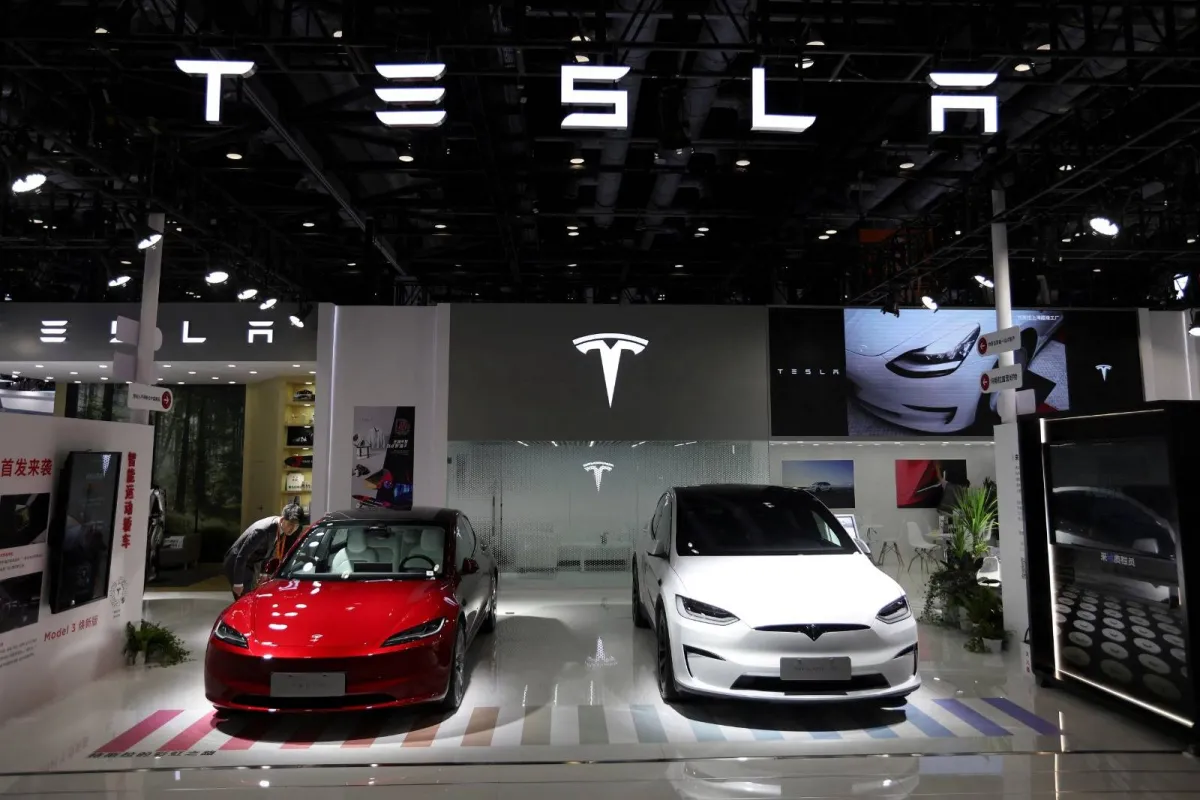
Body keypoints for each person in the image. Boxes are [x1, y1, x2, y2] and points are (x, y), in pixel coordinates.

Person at [223, 503, 303, 599]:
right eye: (290, 524)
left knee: (252, 595)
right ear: (282, 519)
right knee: (245, 598)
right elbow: (242, 555)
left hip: (250, 563)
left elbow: (268, 550)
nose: (293, 529)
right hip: (236, 562)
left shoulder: (280, 527)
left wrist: (263, 573)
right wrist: (238, 583)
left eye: (296, 526)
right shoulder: (262, 531)